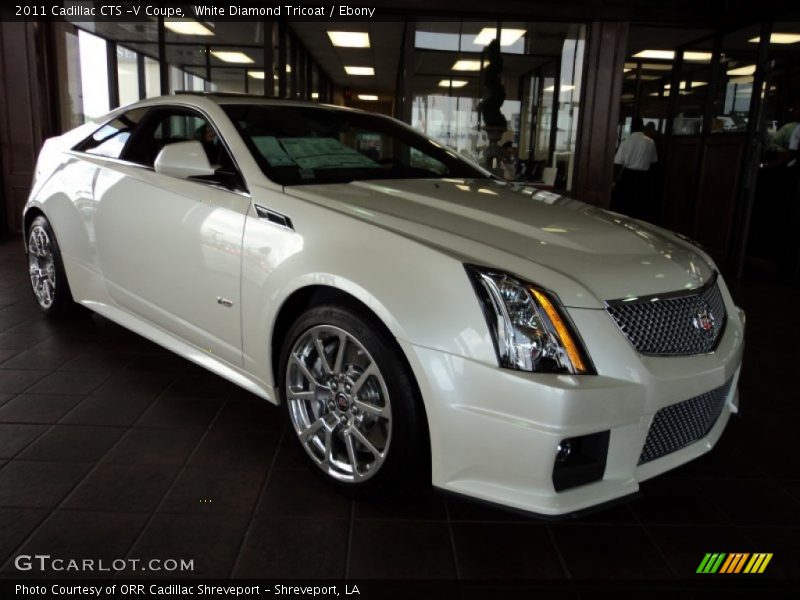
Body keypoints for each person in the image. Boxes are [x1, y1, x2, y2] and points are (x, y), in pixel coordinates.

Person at [611, 117, 658, 221]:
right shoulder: (651, 142)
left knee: (625, 205)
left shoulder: (626, 142)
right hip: (645, 178)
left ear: (631, 128)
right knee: (640, 206)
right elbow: (654, 162)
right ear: (642, 127)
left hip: (628, 176)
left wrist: (614, 181)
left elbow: (617, 163)